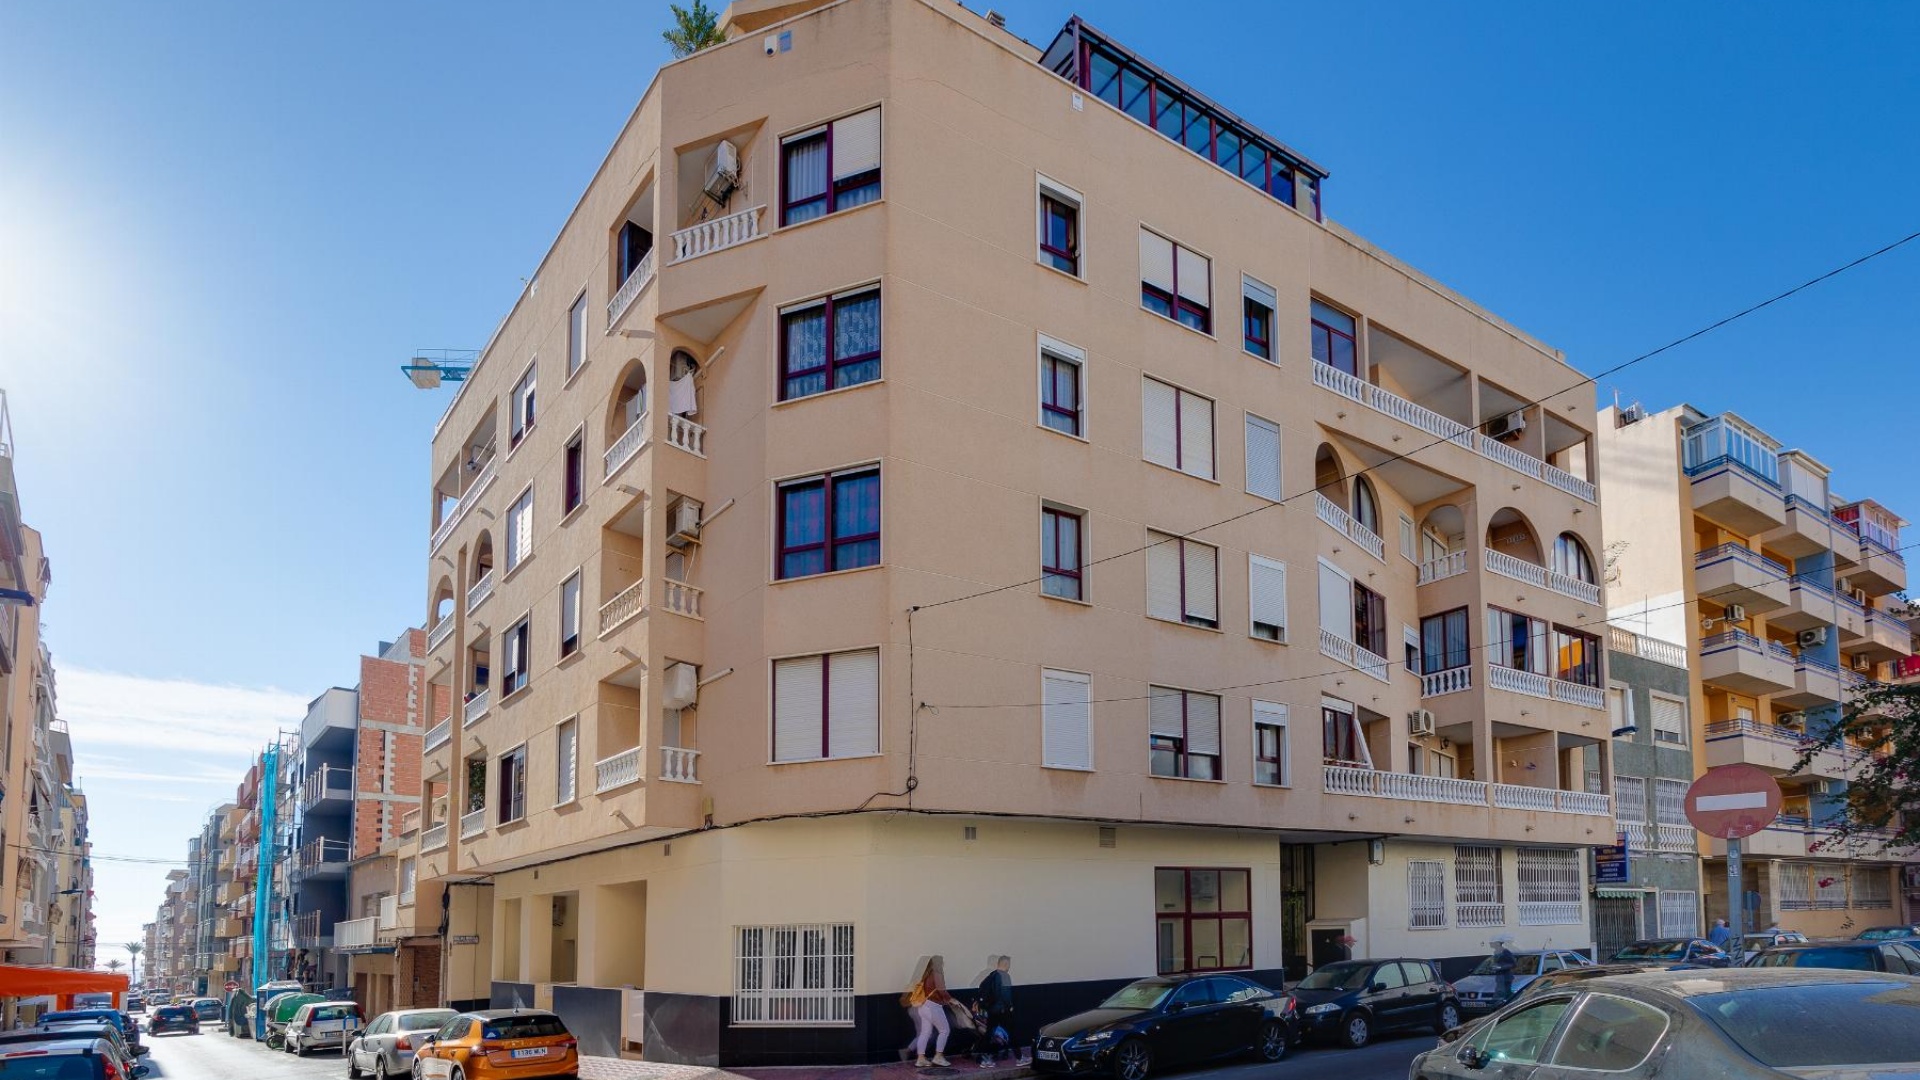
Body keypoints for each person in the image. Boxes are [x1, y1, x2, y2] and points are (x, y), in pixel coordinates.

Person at [904, 956, 955, 1068]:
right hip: (933, 1006)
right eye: (942, 962)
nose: (943, 964)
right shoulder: (937, 974)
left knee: (925, 1033)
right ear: (938, 964)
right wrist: (951, 1000)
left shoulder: (926, 975)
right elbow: (942, 990)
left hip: (923, 1006)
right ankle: (938, 1056)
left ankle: (920, 1059)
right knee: (945, 1030)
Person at [976, 956, 1014, 1068]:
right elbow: (1006, 995)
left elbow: (981, 987)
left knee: (989, 1033)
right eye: (1009, 964)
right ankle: (986, 1057)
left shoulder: (991, 975)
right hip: (1000, 1010)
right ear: (1006, 964)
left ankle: (985, 1057)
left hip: (990, 1009)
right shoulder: (1004, 976)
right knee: (1000, 1033)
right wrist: (1010, 1006)